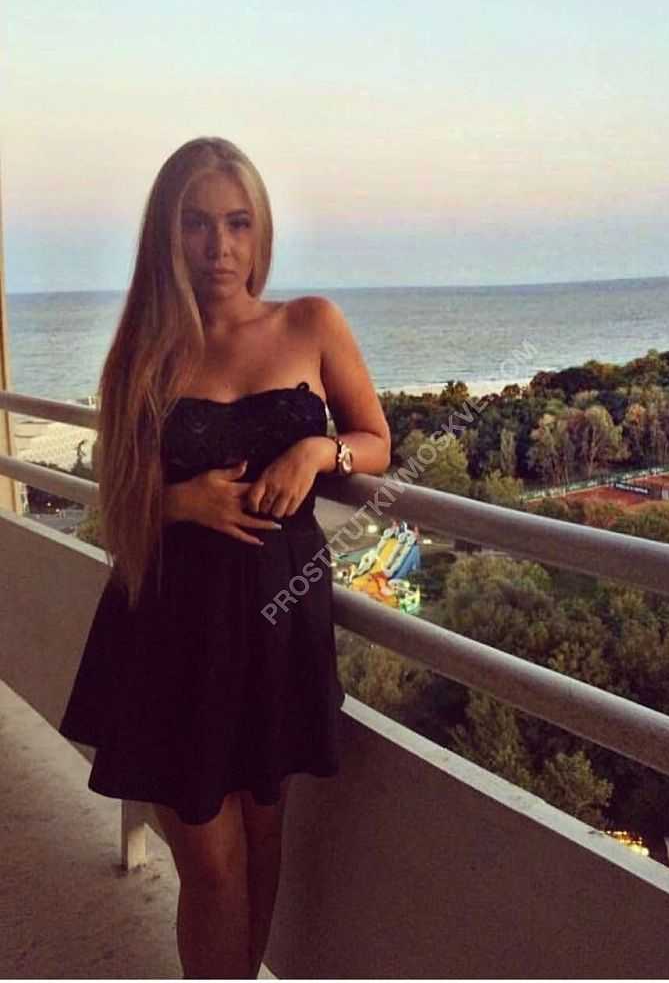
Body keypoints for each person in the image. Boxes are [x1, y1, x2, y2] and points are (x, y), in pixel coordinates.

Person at [58, 136, 391, 979]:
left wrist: (318, 452)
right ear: (166, 234)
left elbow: (376, 440)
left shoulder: (311, 323)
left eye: (238, 223)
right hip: (171, 626)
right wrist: (180, 502)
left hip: (279, 622)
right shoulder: (144, 351)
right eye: (197, 224)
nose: (219, 246)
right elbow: (116, 495)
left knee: (264, 836)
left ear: (261, 229)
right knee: (209, 863)